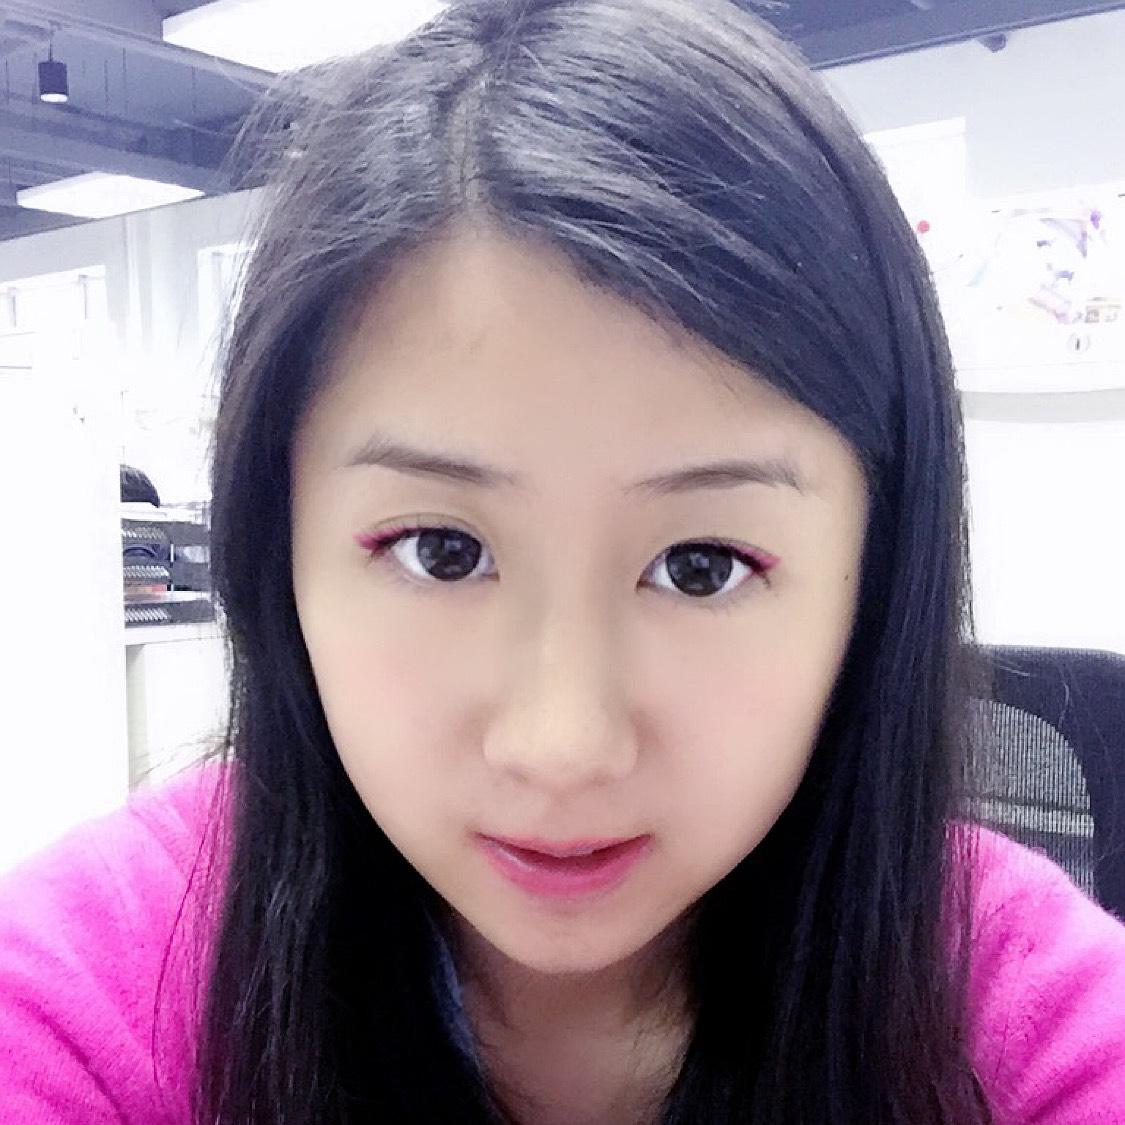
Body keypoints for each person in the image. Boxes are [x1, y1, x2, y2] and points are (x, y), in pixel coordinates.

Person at [2, 0, 1123, 1121]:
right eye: (441, 551)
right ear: (277, 544)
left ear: (874, 576)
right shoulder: (93, 990)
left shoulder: (1032, 1025)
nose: (562, 747)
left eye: (702, 566)